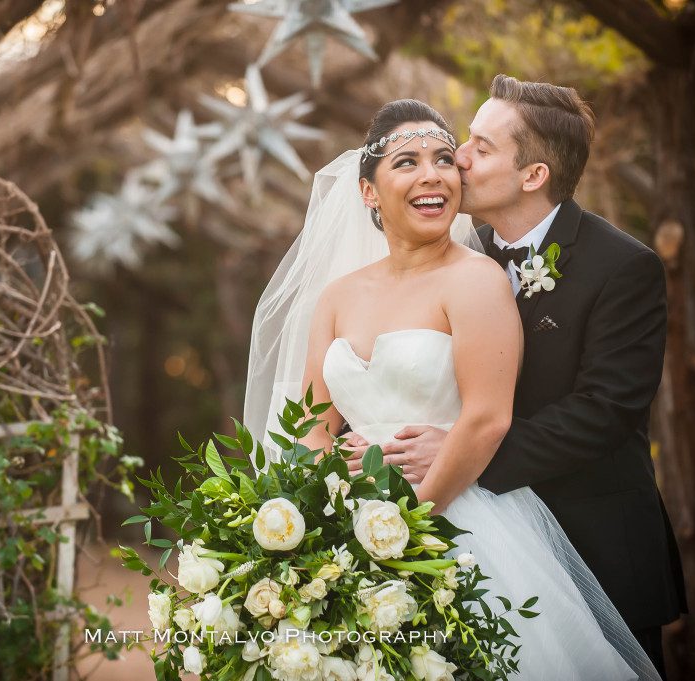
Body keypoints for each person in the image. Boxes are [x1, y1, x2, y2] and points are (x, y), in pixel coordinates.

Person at [244, 97, 661, 679]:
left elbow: (589, 411)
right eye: (408, 161)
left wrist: (405, 530)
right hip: (355, 519)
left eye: (460, 152)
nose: (449, 167)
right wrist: (307, 522)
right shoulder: (343, 295)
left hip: (486, 522)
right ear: (367, 191)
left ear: (534, 175)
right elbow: (312, 424)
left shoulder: (504, 273)